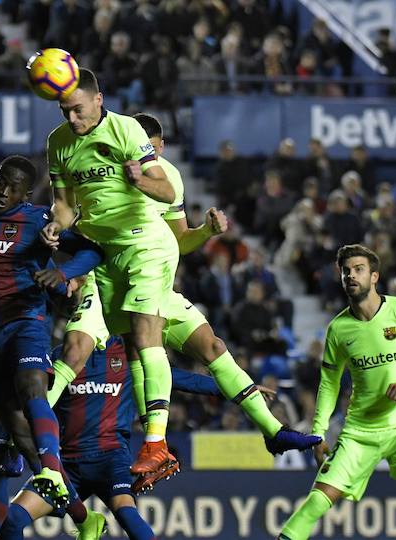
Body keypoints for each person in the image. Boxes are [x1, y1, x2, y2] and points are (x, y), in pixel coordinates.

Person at [45, 108, 319, 489]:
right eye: (139, 150)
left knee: (211, 345)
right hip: (112, 275)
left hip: (155, 279)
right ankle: (145, 445)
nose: (144, 157)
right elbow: (79, 217)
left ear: (160, 146)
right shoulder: (104, 167)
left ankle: (273, 430)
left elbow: (178, 239)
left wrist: (206, 231)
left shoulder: (167, 175)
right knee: (130, 348)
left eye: (151, 150)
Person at [42, 68, 180, 478]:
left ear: (98, 100)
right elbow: (65, 204)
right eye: (65, 111)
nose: (72, 119)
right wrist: (56, 224)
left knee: (144, 332)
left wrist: (140, 178)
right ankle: (156, 447)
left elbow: (167, 191)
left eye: (78, 110)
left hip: (144, 245)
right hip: (101, 253)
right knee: (125, 346)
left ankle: (156, 443)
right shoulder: (58, 143)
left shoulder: (127, 131)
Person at [1, 335, 276, 540]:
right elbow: (30, 400)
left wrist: (244, 389)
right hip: (67, 467)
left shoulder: (128, 356)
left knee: (127, 514)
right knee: (12, 519)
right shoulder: (61, 357)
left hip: (111, 461)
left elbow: (183, 380)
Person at [0, 155, 104, 529]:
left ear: (26, 194)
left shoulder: (40, 220)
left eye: (13, 187)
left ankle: (52, 475)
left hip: (26, 321)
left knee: (32, 389)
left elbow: (92, 251)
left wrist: (61, 271)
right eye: (0, 181)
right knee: (16, 427)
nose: (3, 191)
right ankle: (83, 517)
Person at [279, 244, 396, 540]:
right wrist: (318, 433)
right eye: (346, 271)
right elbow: (329, 384)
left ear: (375, 277)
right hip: (360, 430)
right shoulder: (339, 329)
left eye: (358, 269)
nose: (351, 275)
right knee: (316, 502)